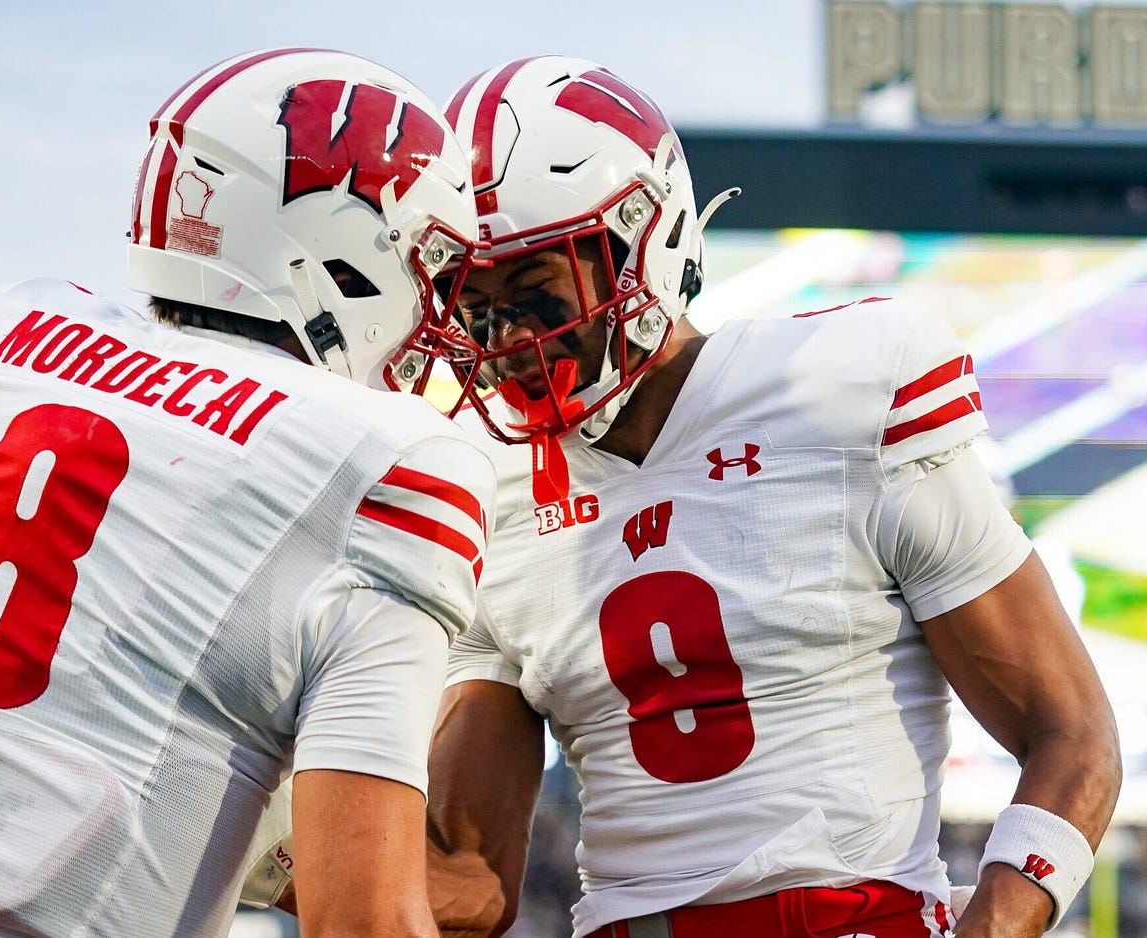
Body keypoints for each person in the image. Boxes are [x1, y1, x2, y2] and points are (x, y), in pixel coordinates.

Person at [0, 48, 495, 938]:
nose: (437, 311)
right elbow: (364, 922)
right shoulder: (385, 463)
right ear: (340, 253)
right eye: (429, 265)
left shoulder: (1, 351)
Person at [423, 56, 1121, 938]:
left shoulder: (839, 390)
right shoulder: (484, 488)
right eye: (472, 304)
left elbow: (1073, 737)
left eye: (533, 290)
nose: (507, 338)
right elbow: (471, 890)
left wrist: (994, 926)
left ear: (646, 239)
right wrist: (279, 836)